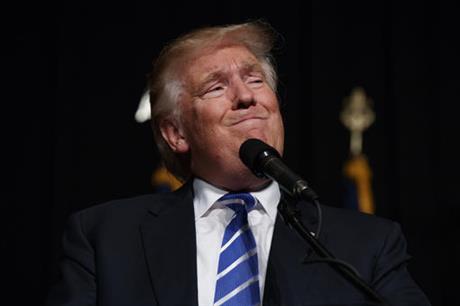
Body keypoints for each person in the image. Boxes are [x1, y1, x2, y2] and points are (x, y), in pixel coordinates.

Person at [46, 21, 431, 306]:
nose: (246, 96)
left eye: (256, 81)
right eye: (216, 87)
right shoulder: (106, 239)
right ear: (176, 133)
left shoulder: (367, 245)